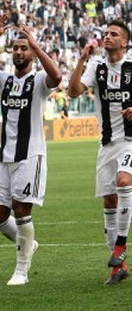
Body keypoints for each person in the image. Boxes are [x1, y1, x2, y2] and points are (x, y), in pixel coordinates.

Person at [67, 20, 132, 285]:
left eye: (114, 34)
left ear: (125, 42)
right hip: (107, 143)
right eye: (105, 33)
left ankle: (121, 245)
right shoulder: (96, 66)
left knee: (125, 182)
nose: (107, 36)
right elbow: (73, 92)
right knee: (109, 202)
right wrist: (81, 60)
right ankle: (117, 267)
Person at [0, 23, 61, 285]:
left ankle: (21, 271)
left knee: (21, 209)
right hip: (4, 156)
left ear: (32, 54)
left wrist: (36, 44)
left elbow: (57, 77)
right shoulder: (5, 80)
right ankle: (29, 244)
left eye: (24, 48)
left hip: (30, 156)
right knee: (1, 215)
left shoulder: (37, 82)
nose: (19, 52)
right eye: (16, 48)